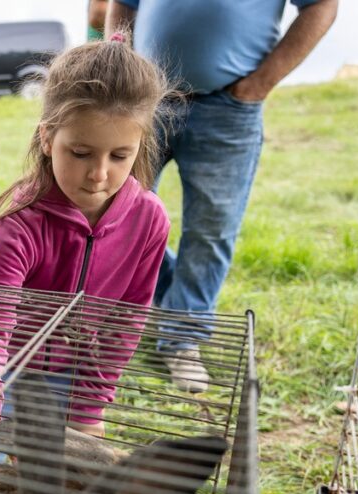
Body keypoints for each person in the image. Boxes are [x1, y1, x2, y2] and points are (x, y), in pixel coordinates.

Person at [0, 35, 176, 466]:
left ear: (140, 146)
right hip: (8, 373)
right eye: (80, 152)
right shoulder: (21, 223)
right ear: (46, 138)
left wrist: (88, 409)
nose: (98, 174)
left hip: (80, 377)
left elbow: (125, 325)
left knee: (72, 484)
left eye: (119, 155)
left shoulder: (150, 221)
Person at [106, 0, 337, 392]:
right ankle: (170, 301)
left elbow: (322, 7)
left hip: (227, 108)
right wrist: (124, 71)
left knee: (210, 230)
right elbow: (122, 6)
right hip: (147, 101)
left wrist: (258, 84)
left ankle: (181, 339)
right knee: (118, 212)